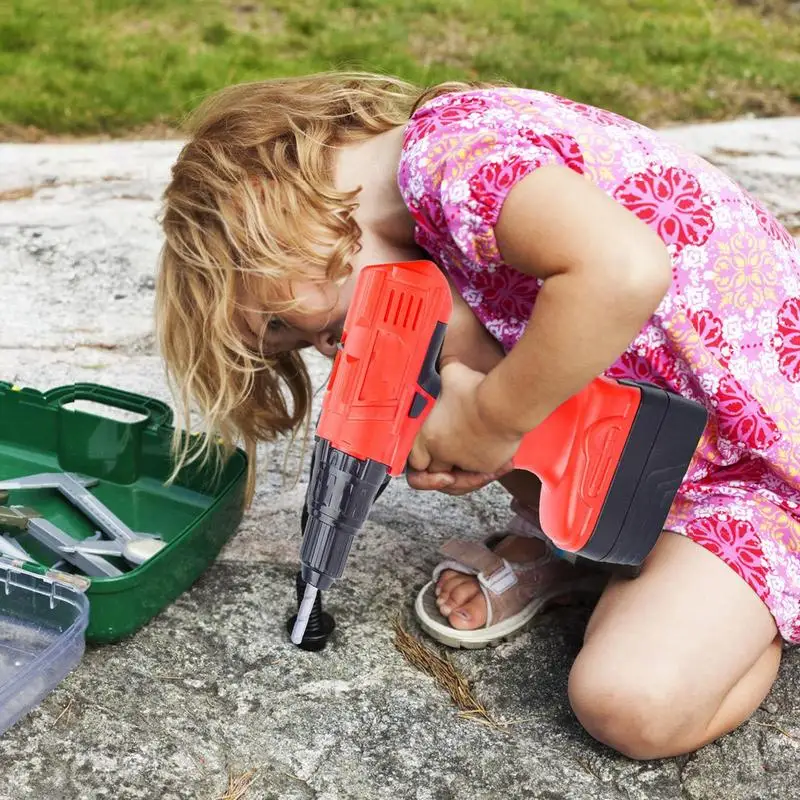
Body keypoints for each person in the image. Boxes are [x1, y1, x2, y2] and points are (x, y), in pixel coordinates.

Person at [155, 72, 800, 760]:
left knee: (630, 703)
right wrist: (476, 426)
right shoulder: (426, 215)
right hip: (676, 445)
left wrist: (491, 421)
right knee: (436, 353)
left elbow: (623, 271)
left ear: (261, 207)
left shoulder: (448, 155)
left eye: (288, 323)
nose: (321, 346)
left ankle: (760, 593)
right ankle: (584, 541)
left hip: (770, 469)